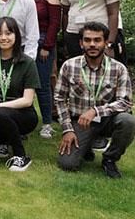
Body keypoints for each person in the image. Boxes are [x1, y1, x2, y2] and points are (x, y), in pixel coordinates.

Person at [55, 22, 135, 178]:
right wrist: (67, 129)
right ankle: (87, 146)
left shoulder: (118, 68)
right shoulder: (69, 66)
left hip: (107, 119)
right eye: (87, 40)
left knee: (128, 121)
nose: (92, 44)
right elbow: (59, 99)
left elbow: (125, 102)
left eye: (97, 40)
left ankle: (110, 159)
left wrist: (96, 111)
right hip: (80, 122)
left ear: (106, 43)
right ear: (81, 43)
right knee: (68, 164)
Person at [0, 17, 40, 172]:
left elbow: (27, 100)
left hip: (24, 114)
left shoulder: (27, 63)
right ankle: (4, 143)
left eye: (8, 33)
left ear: (16, 36)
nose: (3, 38)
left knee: (1, 113)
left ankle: (21, 156)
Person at [21, 0, 61, 139]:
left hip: (43, 43)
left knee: (43, 85)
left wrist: (47, 47)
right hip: (24, 43)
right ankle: (23, 122)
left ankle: (46, 123)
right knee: (22, 85)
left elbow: (54, 24)